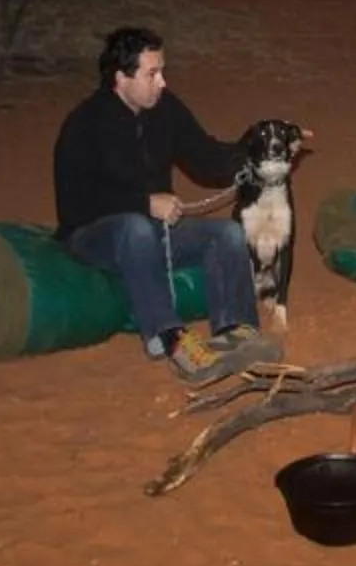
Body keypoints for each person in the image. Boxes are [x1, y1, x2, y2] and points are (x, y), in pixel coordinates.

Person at [51, 26, 282, 385]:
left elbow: (205, 155)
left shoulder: (164, 108)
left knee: (226, 234)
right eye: (152, 74)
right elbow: (76, 202)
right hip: (92, 235)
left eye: (161, 71)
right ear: (121, 79)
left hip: (151, 232)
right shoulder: (84, 124)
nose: (162, 82)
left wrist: (257, 154)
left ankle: (236, 332)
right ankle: (170, 339)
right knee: (135, 227)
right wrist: (143, 203)